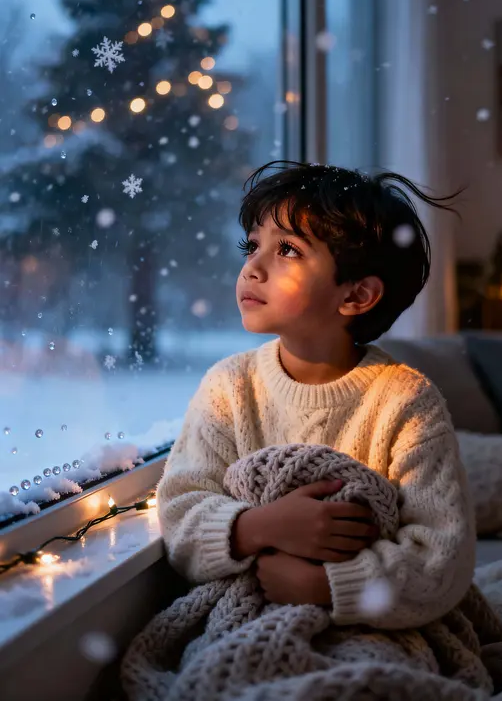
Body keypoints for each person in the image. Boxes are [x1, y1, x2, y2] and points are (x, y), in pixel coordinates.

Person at [156, 160, 475, 629]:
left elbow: (442, 559)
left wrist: (327, 586)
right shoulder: (228, 386)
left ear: (356, 296)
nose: (253, 268)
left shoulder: (406, 400)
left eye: (286, 249)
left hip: (373, 625)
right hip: (246, 614)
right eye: (252, 246)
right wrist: (258, 527)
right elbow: (180, 508)